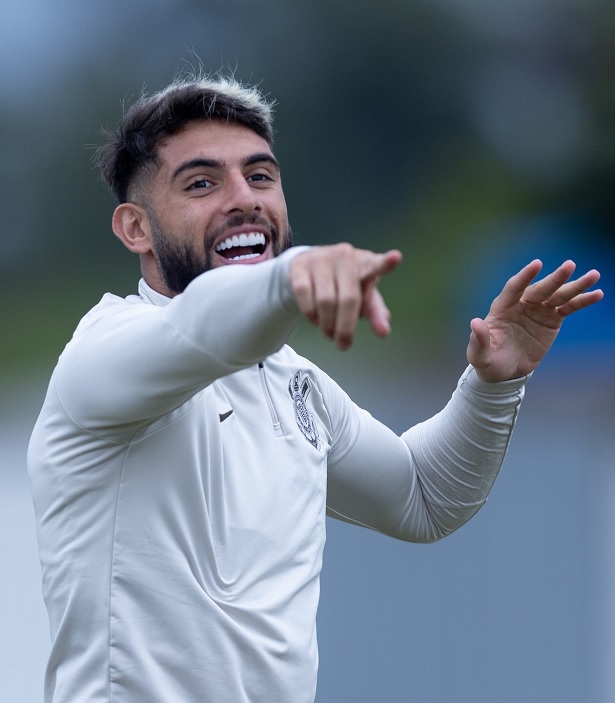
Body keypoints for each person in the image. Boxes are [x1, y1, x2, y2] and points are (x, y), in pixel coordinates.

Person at [27, 73, 603, 703]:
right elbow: (201, 330)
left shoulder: (291, 379)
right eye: (201, 183)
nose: (244, 199)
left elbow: (423, 497)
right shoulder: (105, 353)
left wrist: (494, 383)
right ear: (135, 229)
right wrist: (295, 276)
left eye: (261, 176)